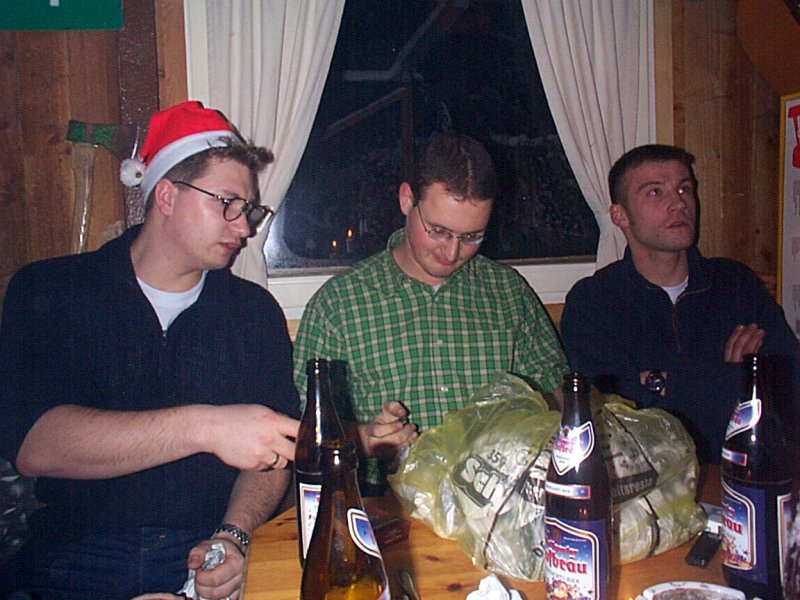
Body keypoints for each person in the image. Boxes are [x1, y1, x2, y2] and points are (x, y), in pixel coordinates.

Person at [0, 101, 301, 599]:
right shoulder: (51, 290)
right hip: (73, 561)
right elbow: (36, 446)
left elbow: (270, 460)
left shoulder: (254, 313)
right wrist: (206, 427)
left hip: (203, 552)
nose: (244, 227)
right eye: (228, 203)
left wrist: (234, 536)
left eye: (249, 210)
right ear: (166, 195)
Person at [292, 132, 567, 490]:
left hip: (500, 499)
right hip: (386, 504)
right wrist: (364, 437)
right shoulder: (339, 305)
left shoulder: (508, 292)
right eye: (438, 231)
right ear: (407, 200)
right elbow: (304, 433)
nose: (452, 253)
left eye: (472, 237)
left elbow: (561, 395)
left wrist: (525, 409)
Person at [560, 143, 798, 464]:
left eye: (684, 188)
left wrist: (657, 382)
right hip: (649, 477)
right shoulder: (593, 301)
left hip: (744, 465)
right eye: (655, 192)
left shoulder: (735, 283)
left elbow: (788, 381)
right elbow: (609, 410)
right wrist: (734, 376)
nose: (679, 203)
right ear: (620, 215)